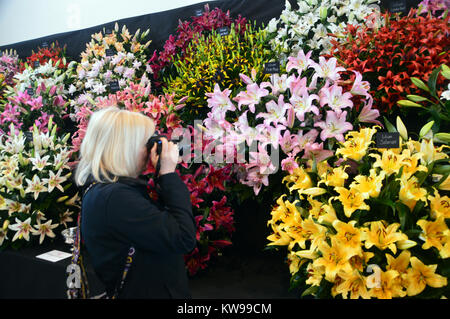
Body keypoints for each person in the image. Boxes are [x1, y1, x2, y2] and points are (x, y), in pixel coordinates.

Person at [74, 106, 196, 299]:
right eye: (146, 143)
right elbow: (182, 237)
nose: (151, 151)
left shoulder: (103, 190)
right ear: (126, 148)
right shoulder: (116, 198)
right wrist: (169, 175)